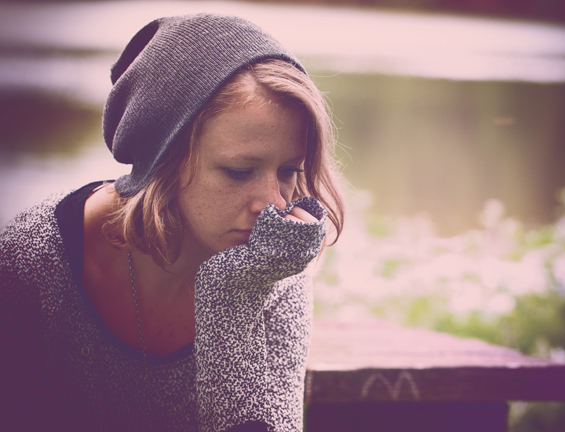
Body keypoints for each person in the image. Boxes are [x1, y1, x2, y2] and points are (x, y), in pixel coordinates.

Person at [0, 14, 344, 432]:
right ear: (163, 159)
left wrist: (235, 298)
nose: (273, 203)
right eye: (238, 171)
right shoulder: (29, 265)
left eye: (289, 170)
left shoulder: (269, 271)